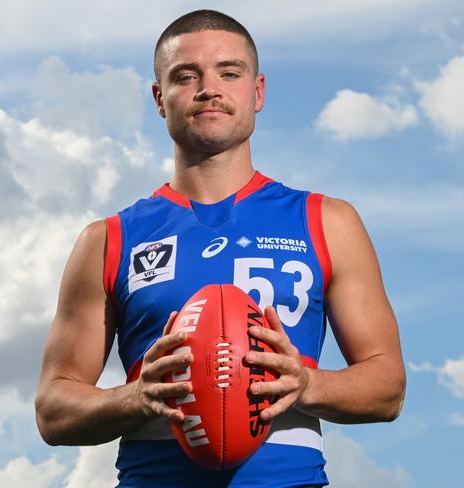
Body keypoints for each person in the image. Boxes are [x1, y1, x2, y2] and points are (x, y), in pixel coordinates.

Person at [35, 9, 406, 487]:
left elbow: (388, 388)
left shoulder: (327, 221)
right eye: (186, 76)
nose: (209, 88)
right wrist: (135, 397)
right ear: (159, 99)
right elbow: (52, 410)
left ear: (258, 92)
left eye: (229, 73)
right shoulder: (109, 239)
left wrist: (307, 383)